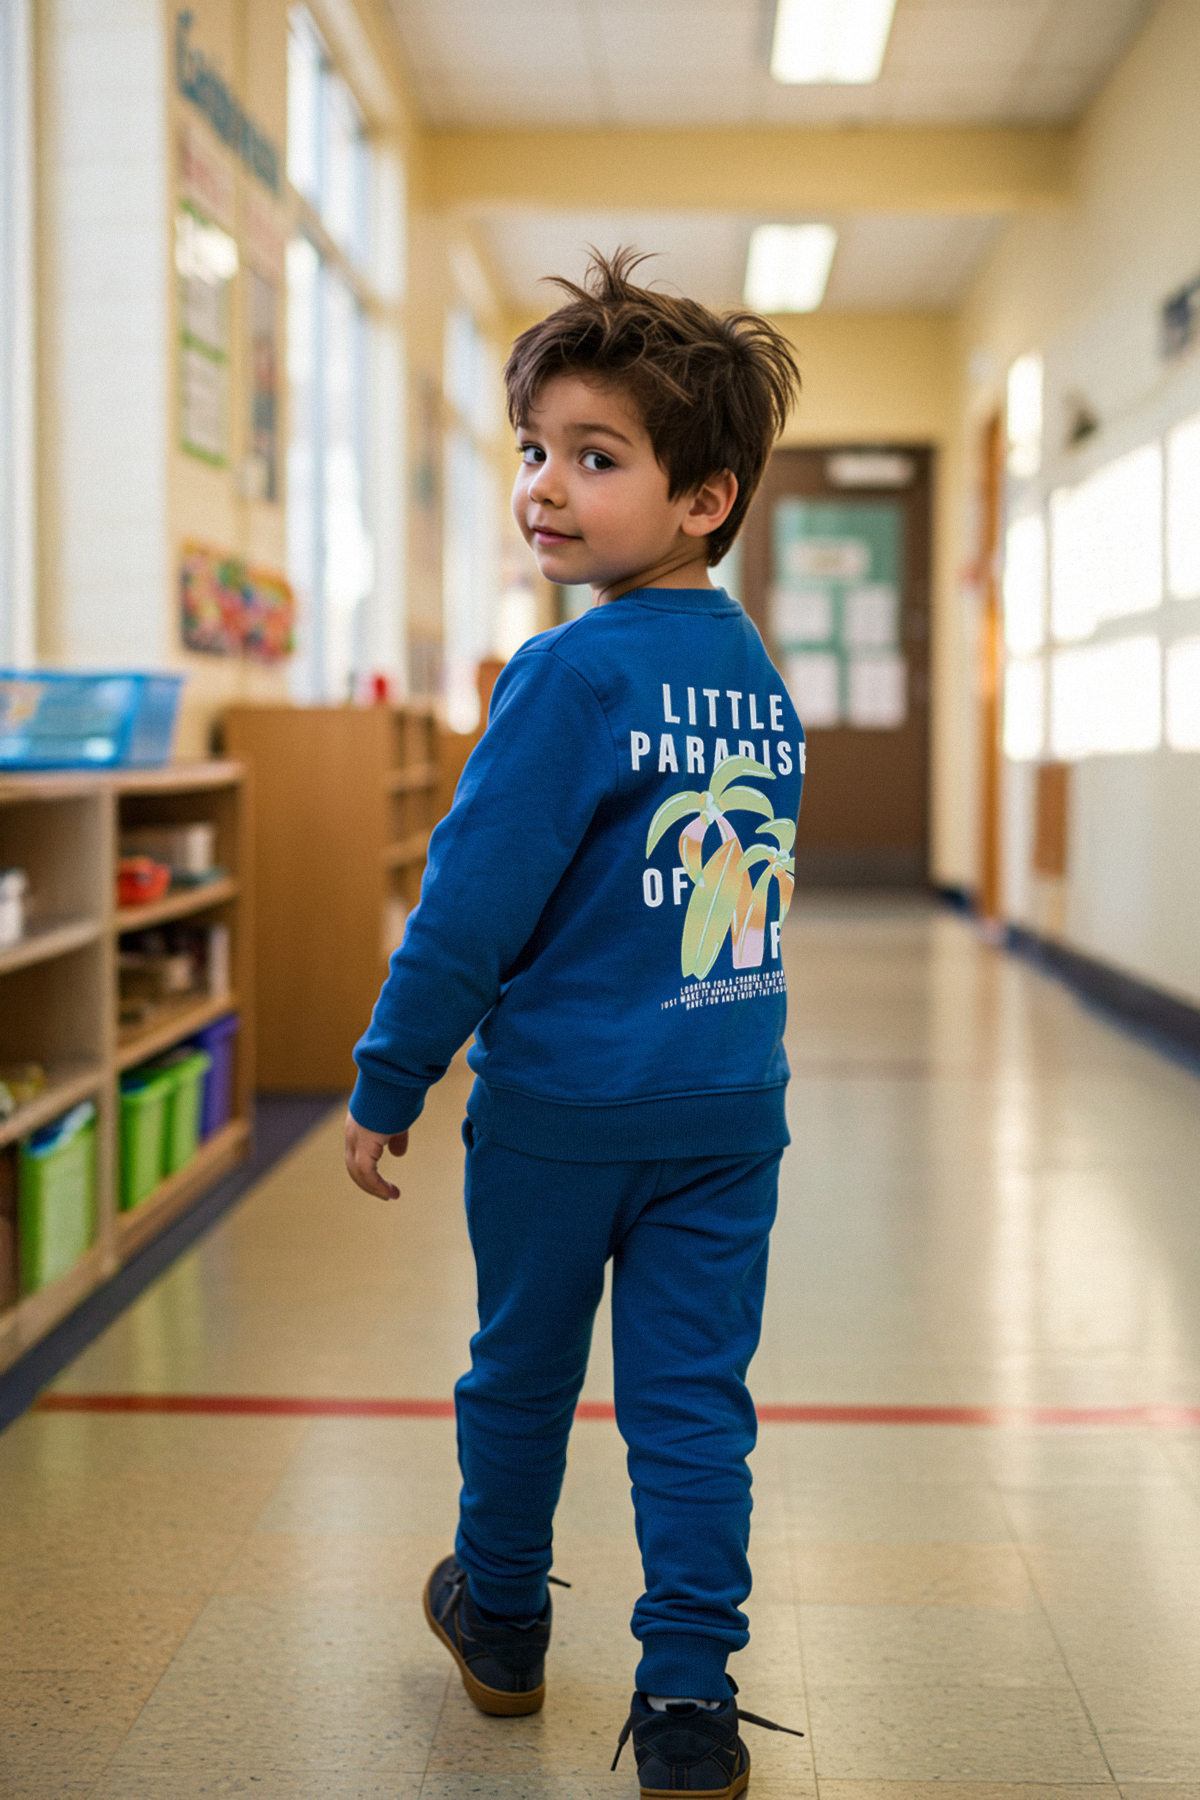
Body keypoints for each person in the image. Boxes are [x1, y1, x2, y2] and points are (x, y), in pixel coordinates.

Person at [344, 248, 806, 1798]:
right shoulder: (755, 681)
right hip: (728, 1106)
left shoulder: (565, 674)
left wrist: (391, 1072)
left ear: (704, 497)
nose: (546, 486)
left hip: (559, 1116)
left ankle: (504, 1621)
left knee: (522, 1373)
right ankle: (688, 1703)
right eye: (535, 450)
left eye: (594, 458)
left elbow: (471, 905)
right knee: (693, 1405)